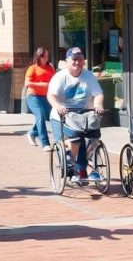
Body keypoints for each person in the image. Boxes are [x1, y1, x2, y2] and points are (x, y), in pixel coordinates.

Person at [47, 47, 105, 185]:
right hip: (61, 114)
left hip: (83, 115)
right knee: (74, 139)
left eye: (79, 59)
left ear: (83, 61)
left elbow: (98, 94)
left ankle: (83, 166)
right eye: (73, 60)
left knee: (94, 138)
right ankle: (70, 166)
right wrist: (58, 106)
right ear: (67, 61)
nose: (77, 62)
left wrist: (98, 105)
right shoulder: (60, 77)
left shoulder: (88, 76)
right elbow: (51, 95)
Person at [24, 47, 55, 151]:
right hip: (33, 97)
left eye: (47, 56)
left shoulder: (50, 67)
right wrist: (43, 84)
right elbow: (27, 83)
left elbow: (54, 80)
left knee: (49, 117)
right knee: (40, 116)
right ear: (38, 57)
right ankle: (45, 143)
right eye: (43, 56)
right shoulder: (32, 68)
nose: (46, 58)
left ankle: (32, 133)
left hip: (47, 97)